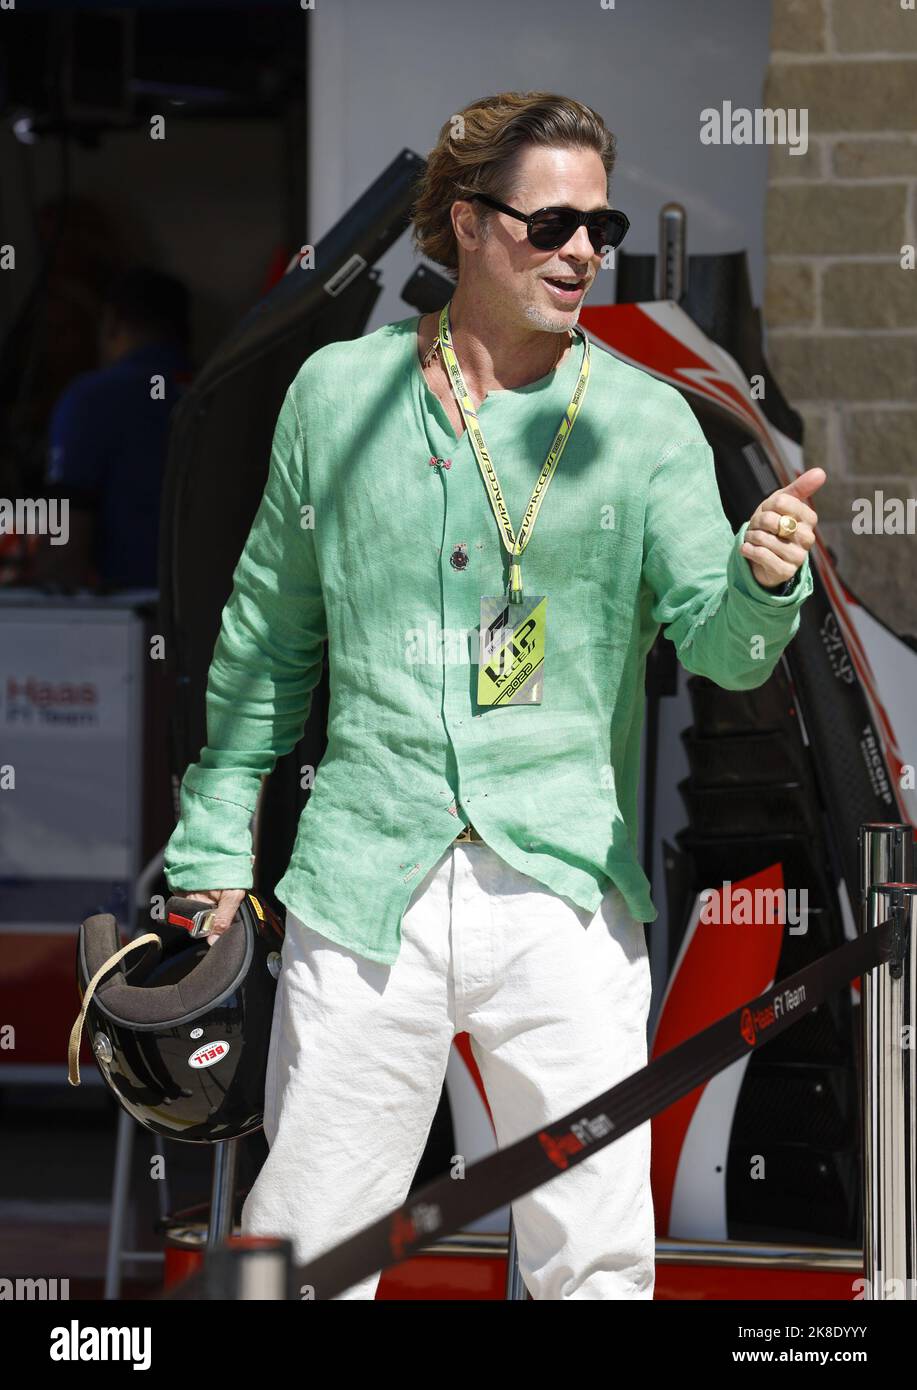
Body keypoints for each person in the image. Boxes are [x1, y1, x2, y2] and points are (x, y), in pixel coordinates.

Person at [164, 91, 822, 1300]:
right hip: (365, 887)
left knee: (596, 1259)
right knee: (304, 1249)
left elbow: (723, 652)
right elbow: (266, 641)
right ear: (466, 224)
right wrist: (213, 839)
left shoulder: (644, 422)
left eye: (600, 224)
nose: (583, 250)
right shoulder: (335, 395)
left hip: (563, 892)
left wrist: (760, 581)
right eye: (550, 222)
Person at [36, 265, 192, 591]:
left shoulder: (93, 398)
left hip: (124, 620)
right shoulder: (220, 393)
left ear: (112, 323)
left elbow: (66, 543)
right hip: (222, 617)